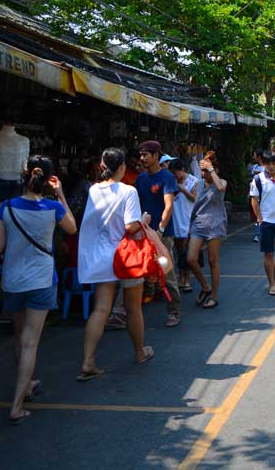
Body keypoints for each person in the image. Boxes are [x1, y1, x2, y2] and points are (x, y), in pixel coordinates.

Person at [0, 155, 76, 424]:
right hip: (41, 281)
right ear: (49, 179)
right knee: (30, 342)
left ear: (24, 174)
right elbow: (72, 229)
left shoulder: (5, 208)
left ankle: (26, 386)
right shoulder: (53, 208)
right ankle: (17, 405)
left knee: (19, 338)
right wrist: (61, 194)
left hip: (12, 281)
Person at [78, 148, 155, 382]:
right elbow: (131, 226)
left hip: (101, 257)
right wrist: (144, 220)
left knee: (101, 309)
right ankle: (140, 351)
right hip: (126, 256)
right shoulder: (128, 191)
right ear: (122, 167)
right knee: (133, 308)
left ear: (102, 166)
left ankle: (88, 361)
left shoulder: (93, 190)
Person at [133, 140, 182, 327]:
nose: (142, 158)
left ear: (156, 156)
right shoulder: (141, 179)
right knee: (134, 269)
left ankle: (174, 311)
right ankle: (122, 311)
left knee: (166, 272)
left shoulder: (167, 177)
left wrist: (160, 229)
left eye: (146, 155)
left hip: (163, 234)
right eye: (141, 154)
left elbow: (168, 206)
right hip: (141, 232)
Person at [188, 152, 227, 310]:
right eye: (202, 170)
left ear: (214, 169)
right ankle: (205, 286)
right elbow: (195, 202)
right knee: (191, 259)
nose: (203, 174)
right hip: (198, 223)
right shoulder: (198, 184)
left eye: (206, 170)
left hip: (215, 224)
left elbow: (220, 188)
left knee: (213, 261)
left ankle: (214, 296)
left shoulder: (221, 181)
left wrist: (211, 170)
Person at [250, 151, 275, 296]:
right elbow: (254, 200)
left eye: (274, 163)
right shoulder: (258, 179)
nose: (271, 166)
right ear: (263, 164)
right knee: (269, 254)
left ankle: (273, 271)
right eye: (268, 164)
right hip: (267, 221)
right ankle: (272, 283)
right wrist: (260, 218)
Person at [168, 159, 200, 293]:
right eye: (172, 173)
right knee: (178, 251)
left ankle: (187, 280)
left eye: (176, 173)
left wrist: (182, 189)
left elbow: (195, 199)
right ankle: (180, 279)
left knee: (186, 252)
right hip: (174, 219)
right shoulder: (171, 181)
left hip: (187, 220)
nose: (174, 176)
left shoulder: (194, 181)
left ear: (182, 169)